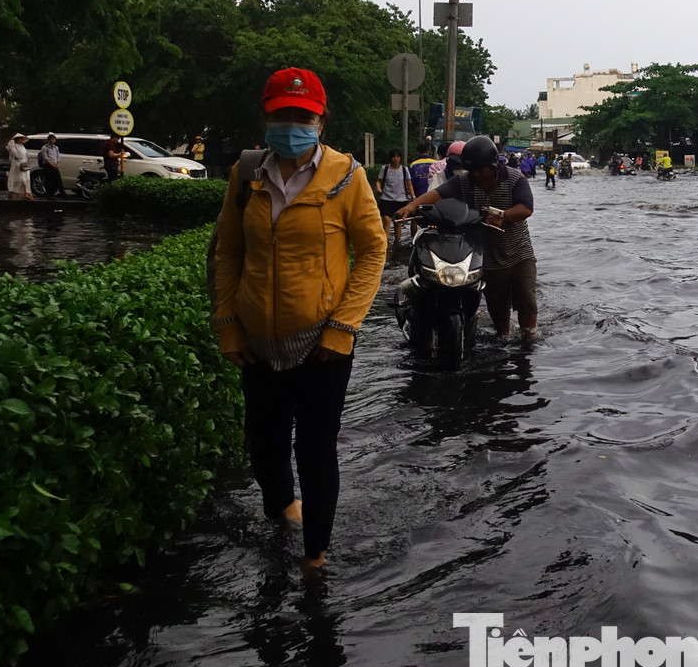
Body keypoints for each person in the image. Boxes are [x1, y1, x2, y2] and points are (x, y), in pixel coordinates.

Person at [211, 66, 387, 570]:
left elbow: (372, 251)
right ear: (266, 118)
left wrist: (343, 326)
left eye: (303, 116)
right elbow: (229, 252)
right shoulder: (247, 174)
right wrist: (227, 324)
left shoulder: (348, 177)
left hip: (323, 343)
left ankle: (315, 556)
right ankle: (281, 510)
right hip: (257, 342)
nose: (293, 125)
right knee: (264, 443)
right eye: (283, 114)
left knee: (315, 448)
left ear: (321, 121)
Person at [396, 134, 537, 344]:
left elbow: (526, 208)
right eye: (472, 170)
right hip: (486, 256)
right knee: (497, 304)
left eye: (480, 170)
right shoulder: (464, 181)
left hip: (519, 253)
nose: (476, 174)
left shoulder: (515, 178)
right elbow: (437, 194)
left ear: (493, 166)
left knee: (526, 300)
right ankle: (503, 338)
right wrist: (411, 206)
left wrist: (503, 216)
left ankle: (528, 338)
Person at [374, 148, 415, 243]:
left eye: (397, 157)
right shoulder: (385, 169)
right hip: (386, 199)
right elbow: (379, 181)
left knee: (398, 222)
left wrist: (413, 197)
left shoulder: (404, 170)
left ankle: (397, 243)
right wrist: (379, 188)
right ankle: (385, 243)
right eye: (393, 157)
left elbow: (409, 185)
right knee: (387, 220)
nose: (396, 159)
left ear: (400, 158)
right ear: (390, 158)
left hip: (401, 200)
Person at [38, 134, 66, 198]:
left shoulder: (56, 148)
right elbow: (45, 158)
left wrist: (57, 164)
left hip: (55, 165)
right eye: (51, 139)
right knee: (49, 180)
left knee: (58, 180)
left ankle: (61, 193)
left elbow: (58, 157)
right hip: (48, 165)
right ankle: (49, 194)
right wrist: (52, 165)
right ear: (48, 140)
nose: (52, 141)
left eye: (53, 139)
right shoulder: (45, 147)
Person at [6, 133, 32, 200]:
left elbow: (26, 155)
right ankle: (15, 194)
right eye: (20, 138)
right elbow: (15, 152)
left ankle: (26, 193)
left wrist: (27, 160)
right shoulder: (13, 146)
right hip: (17, 164)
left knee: (26, 179)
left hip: (24, 164)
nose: (21, 140)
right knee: (19, 179)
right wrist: (12, 140)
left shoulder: (22, 146)